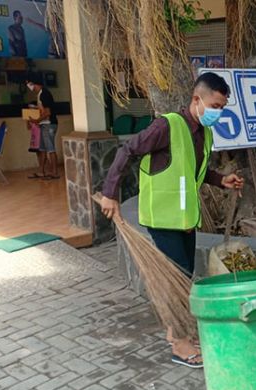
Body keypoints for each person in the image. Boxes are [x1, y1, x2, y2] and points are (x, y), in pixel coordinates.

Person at [100, 72, 244, 368]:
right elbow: (128, 150)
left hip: (185, 218)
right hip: (163, 217)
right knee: (175, 279)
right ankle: (180, 344)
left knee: (184, 275)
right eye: (215, 105)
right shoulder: (167, 125)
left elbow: (194, 172)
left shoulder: (204, 133)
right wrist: (110, 193)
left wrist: (221, 180)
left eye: (222, 107)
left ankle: (174, 332)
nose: (218, 112)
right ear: (197, 99)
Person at [25, 75, 60, 179]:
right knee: (43, 149)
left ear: (34, 83)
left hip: (49, 124)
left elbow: (47, 112)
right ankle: (42, 171)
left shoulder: (44, 94)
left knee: (50, 149)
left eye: (30, 85)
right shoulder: (40, 94)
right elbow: (43, 109)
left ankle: (54, 172)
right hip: (44, 125)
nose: (30, 87)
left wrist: (36, 120)